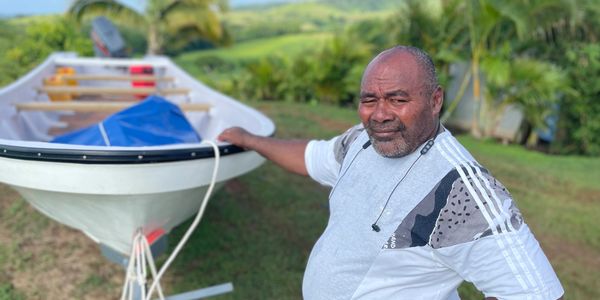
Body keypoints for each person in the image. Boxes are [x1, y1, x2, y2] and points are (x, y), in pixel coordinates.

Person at [218, 46, 564, 300]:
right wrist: (250, 140)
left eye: (398, 100)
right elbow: (314, 157)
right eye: (369, 100)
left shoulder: (461, 192)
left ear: (434, 100)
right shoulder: (361, 141)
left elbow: (536, 293)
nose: (379, 114)